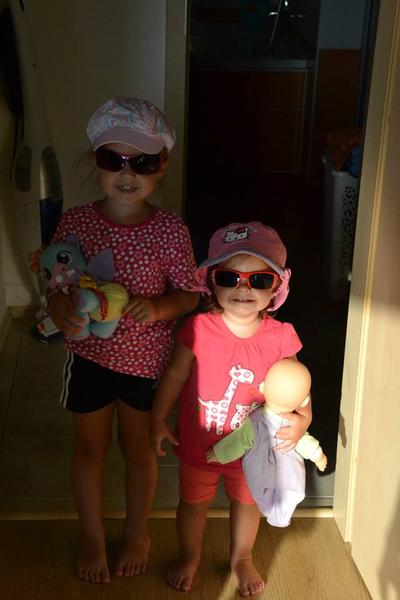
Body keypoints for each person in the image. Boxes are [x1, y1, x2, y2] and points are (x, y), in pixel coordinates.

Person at [46, 97, 199, 584]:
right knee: (89, 451)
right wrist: (61, 310)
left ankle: (138, 532)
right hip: (88, 359)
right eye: (113, 159)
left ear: (162, 166)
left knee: (138, 451)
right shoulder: (76, 222)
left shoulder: (170, 230)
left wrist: (157, 308)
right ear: (96, 161)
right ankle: (92, 536)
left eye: (143, 162)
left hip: (146, 364)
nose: (127, 173)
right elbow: (56, 287)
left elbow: (190, 294)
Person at [151, 221, 312, 596]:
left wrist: (303, 419)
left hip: (253, 451)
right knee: (193, 503)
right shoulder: (198, 328)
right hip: (198, 445)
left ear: (275, 288)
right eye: (229, 277)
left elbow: (297, 387)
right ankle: (189, 554)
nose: (243, 288)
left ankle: (242, 557)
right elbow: (174, 375)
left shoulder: (281, 337)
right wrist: (158, 417)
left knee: (247, 503)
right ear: (212, 282)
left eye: (259, 280)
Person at [208, 358, 327, 528]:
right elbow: (306, 443)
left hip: (260, 468)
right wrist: (319, 457)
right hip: (289, 471)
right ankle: (281, 516)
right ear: (304, 402)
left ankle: (273, 512)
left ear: (263, 388)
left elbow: (238, 441)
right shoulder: (294, 425)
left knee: (261, 491)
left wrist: (219, 453)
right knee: (291, 491)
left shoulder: (254, 420)